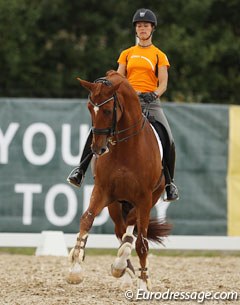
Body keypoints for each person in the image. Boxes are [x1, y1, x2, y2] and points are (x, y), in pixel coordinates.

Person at [67, 8, 179, 202]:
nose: (142, 29)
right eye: (139, 26)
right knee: (97, 130)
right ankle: (80, 170)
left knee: (167, 137)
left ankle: (169, 183)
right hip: (128, 101)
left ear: (152, 29)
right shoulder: (127, 54)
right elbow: (119, 78)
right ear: (135, 30)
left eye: (146, 26)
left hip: (151, 102)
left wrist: (154, 94)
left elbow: (163, 83)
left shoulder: (159, 55)